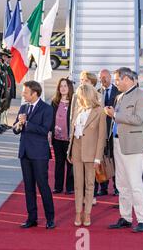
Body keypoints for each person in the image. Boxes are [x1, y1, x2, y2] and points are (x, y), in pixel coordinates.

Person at [106, 67, 143, 233]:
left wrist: (115, 115)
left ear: (126, 79)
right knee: (121, 183)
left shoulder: (142, 96)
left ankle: (142, 219)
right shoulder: (119, 96)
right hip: (118, 143)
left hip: (133, 145)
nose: (115, 82)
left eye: (117, 79)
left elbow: (139, 119)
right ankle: (125, 217)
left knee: (135, 183)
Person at [13, 81, 55, 229]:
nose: (23, 94)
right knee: (28, 187)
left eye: (25, 92)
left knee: (43, 186)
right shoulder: (24, 107)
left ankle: (50, 218)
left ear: (34, 93)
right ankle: (32, 218)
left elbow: (45, 130)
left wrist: (27, 124)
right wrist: (18, 125)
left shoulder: (47, 109)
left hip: (39, 153)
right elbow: (15, 128)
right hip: (24, 152)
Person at [67, 84, 106, 227]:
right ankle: (78, 212)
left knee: (89, 184)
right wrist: (70, 150)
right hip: (77, 150)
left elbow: (102, 137)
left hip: (91, 154)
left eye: (80, 96)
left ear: (87, 96)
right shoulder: (78, 109)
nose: (78, 98)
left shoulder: (100, 111)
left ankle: (87, 213)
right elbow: (73, 132)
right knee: (78, 185)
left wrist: (98, 157)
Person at [97, 69, 120, 196]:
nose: (103, 79)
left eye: (105, 77)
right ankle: (103, 187)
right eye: (101, 77)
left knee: (115, 160)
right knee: (102, 160)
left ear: (110, 77)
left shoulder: (118, 92)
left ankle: (117, 187)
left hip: (114, 131)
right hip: (101, 132)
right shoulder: (97, 92)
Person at [50, 78, 74, 194]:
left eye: (65, 86)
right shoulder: (54, 102)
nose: (63, 88)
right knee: (59, 163)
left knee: (70, 163)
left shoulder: (74, 102)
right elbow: (51, 119)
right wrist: (50, 132)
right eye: (61, 86)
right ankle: (58, 187)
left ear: (69, 88)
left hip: (69, 138)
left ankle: (70, 187)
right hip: (57, 138)